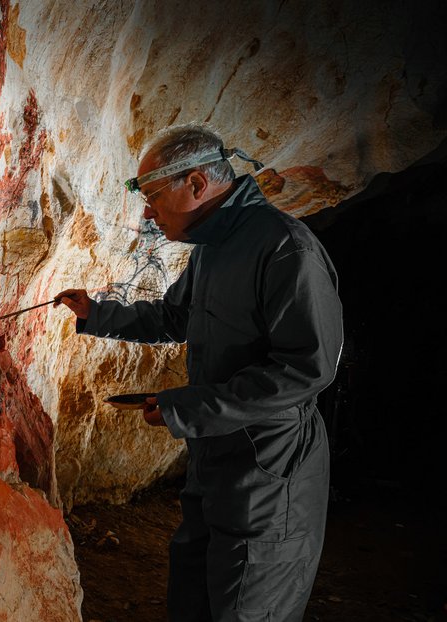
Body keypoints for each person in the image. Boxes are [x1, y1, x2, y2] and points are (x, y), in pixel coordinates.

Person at [55, 124, 343, 621]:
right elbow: (177, 317)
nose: (147, 211)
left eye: (153, 196)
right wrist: (96, 314)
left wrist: (188, 408)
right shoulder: (213, 247)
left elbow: (306, 370)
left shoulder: (285, 249)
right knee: (193, 600)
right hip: (215, 461)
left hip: (269, 475)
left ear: (195, 184)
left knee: (246, 607)